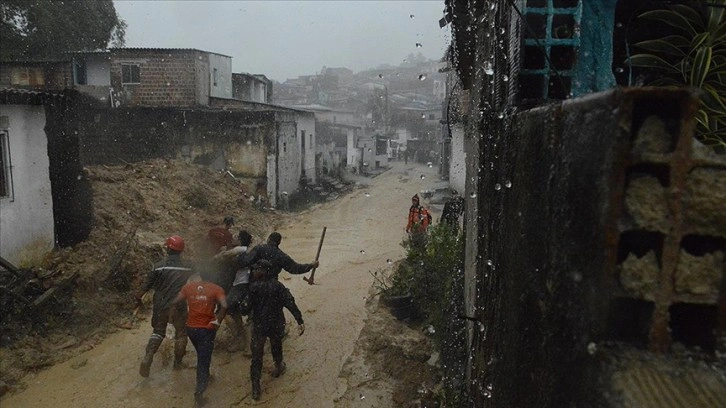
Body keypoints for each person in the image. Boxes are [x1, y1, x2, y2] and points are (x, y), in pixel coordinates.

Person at [136, 235, 195, 377]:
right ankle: (177, 363)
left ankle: (148, 356)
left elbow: (144, 287)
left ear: (168, 249)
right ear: (181, 250)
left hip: (161, 304)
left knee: (158, 331)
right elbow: (203, 269)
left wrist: (138, 300)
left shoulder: (157, 267)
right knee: (181, 334)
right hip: (179, 304)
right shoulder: (188, 266)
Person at [244, 268, 305, 401]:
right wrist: (299, 319)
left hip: (259, 325)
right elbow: (290, 302)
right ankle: (278, 366)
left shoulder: (253, 288)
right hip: (276, 322)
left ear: (262, 272)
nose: (253, 272)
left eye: (256, 270)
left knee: (256, 356)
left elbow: (244, 308)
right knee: (276, 345)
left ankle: (255, 387)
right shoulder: (278, 286)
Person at [172, 267, 227, 406]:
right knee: (203, 360)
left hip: (191, 329)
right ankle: (199, 392)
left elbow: (175, 301)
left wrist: (174, 317)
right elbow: (225, 305)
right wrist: (218, 321)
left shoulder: (188, 287)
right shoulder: (217, 289)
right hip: (207, 329)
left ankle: (206, 376)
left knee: (201, 354)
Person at [214, 230, 253, 353]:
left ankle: (240, 339)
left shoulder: (242, 249)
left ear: (241, 240)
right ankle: (243, 340)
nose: (233, 238)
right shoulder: (247, 251)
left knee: (226, 309)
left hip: (240, 284)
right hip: (241, 284)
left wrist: (218, 255)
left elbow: (225, 256)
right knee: (235, 311)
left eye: (236, 237)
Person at [236, 232, 319, 280]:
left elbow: (245, 262)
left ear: (268, 239)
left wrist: (238, 253)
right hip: (273, 282)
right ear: (279, 242)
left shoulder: (259, 248)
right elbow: (295, 268)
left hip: (256, 282)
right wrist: (311, 265)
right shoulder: (282, 255)